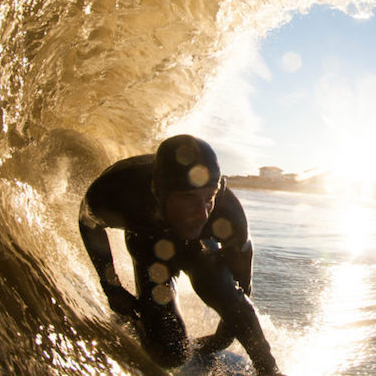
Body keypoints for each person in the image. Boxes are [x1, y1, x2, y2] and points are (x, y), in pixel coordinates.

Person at [79, 134, 282, 375]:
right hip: (148, 247)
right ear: (159, 192)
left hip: (198, 248)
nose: (203, 214)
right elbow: (88, 222)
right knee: (170, 355)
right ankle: (142, 320)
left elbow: (240, 293)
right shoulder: (119, 193)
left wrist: (226, 334)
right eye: (188, 199)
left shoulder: (227, 213)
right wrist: (111, 286)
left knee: (229, 306)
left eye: (209, 198)